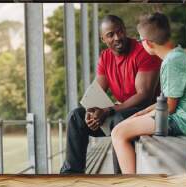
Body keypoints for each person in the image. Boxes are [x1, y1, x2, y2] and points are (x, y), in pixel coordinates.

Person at [60, 15, 161, 174]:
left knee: (120, 121)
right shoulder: (105, 57)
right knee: (75, 117)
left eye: (120, 32)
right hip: (120, 112)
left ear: (125, 30)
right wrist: (90, 112)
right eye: (110, 35)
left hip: (148, 113)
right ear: (103, 39)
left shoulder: (144, 51)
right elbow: (96, 93)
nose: (117, 37)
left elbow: (144, 96)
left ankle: (119, 180)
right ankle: (71, 175)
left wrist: (108, 110)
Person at [111, 12, 186, 174]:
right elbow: (167, 100)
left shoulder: (172, 62)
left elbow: (170, 107)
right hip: (178, 115)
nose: (140, 44)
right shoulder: (177, 55)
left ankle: (132, 184)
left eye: (141, 40)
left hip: (181, 120)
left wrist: (143, 116)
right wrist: (142, 112)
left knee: (118, 133)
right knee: (124, 125)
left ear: (148, 42)